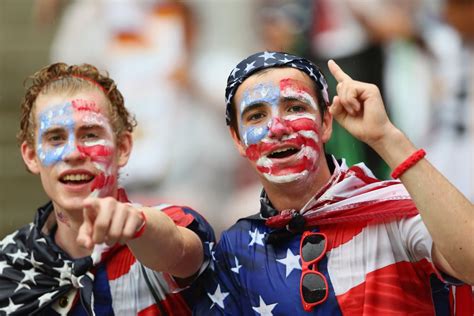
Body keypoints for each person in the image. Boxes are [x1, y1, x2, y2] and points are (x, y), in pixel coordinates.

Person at [194, 51, 473, 315]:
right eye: (256, 116)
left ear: (326, 122)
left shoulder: (396, 210)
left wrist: (386, 138)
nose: (277, 128)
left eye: (294, 107)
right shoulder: (236, 248)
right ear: (237, 139)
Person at [0, 63, 215, 315]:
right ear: (31, 155)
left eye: (90, 134)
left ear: (122, 148)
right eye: (55, 138)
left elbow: (180, 251)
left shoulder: (171, 222)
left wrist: (139, 225)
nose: (72, 153)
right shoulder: (9, 264)